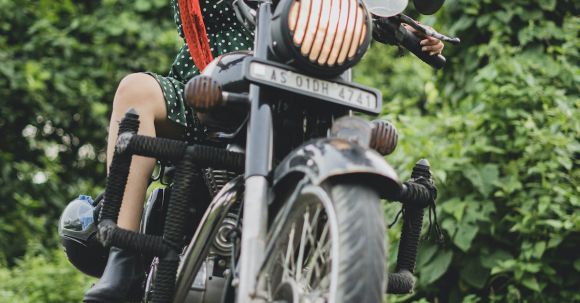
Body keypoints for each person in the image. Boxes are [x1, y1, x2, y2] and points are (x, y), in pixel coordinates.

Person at [83, 1, 444, 302]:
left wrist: (404, 29)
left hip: (307, 92)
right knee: (136, 90)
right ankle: (123, 262)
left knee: (362, 135)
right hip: (216, 86)